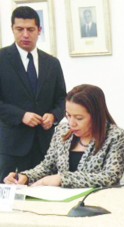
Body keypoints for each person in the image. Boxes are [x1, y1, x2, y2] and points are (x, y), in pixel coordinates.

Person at [4, 84, 124, 188]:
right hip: (61, 202)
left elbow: (110, 178)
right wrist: (25, 177)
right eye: (68, 115)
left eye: (79, 118)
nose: (71, 123)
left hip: (98, 204)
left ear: (96, 115)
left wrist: (62, 179)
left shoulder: (116, 136)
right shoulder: (62, 131)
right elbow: (47, 166)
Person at [0, 6, 66, 182]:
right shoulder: (2, 59)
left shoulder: (52, 63)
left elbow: (62, 99)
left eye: (30, 29)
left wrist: (53, 116)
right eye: (19, 29)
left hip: (46, 146)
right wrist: (21, 115)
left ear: (39, 30)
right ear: (12, 29)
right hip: (12, 147)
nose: (25, 35)